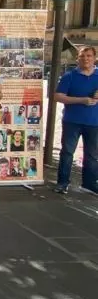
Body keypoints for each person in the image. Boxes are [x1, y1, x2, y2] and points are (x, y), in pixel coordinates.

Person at [54, 45, 98, 194]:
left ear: (94, 58)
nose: (86, 59)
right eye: (82, 56)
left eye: (89, 56)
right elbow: (58, 96)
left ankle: (89, 184)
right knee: (67, 153)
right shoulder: (69, 76)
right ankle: (62, 183)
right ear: (77, 59)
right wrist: (82, 100)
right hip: (72, 121)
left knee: (92, 155)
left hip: (94, 122)